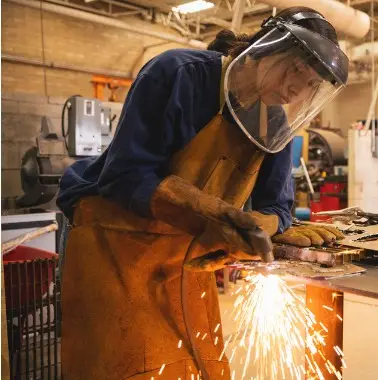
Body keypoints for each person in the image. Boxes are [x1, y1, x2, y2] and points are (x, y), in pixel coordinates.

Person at [56, 7, 347, 379]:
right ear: (264, 48)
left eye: (309, 84)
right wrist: (204, 208)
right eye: (296, 70)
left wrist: (267, 223)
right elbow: (124, 176)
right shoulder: (178, 75)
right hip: (114, 246)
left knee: (199, 368)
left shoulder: (271, 121)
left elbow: (278, 203)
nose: (296, 88)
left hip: (188, 256)